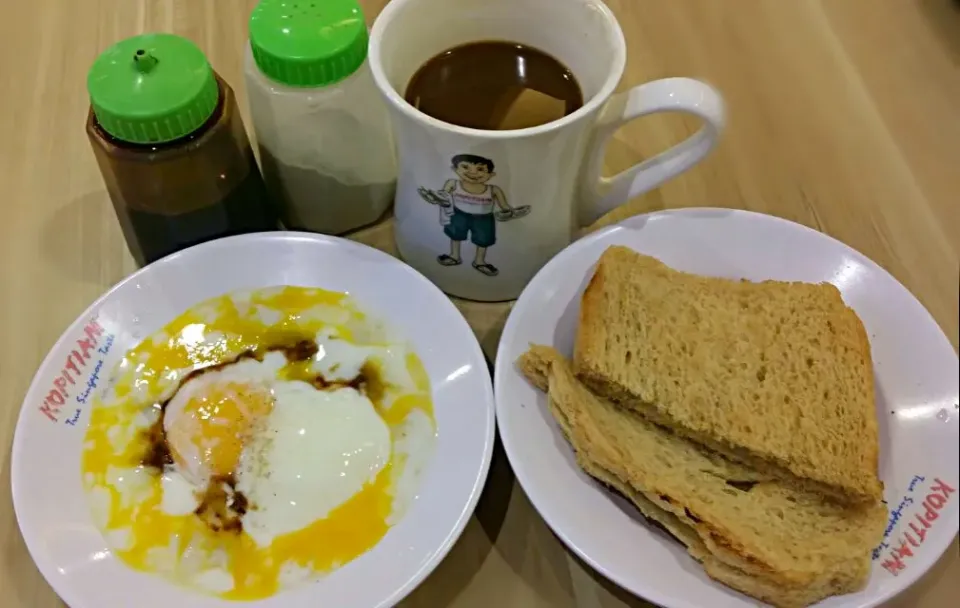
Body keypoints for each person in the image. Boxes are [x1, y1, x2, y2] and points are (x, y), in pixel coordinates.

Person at [417, 153, 529, 277]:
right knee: (455, 235)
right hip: (458, 213)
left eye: (480, 169)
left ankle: (479, 262)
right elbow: (443, 196)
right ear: (455, 170)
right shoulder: (453, 184)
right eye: (465, 167)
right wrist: (434, 198)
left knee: (483, 240)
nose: (473, 173)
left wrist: (511, 212)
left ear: (491, 175)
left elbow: (504, 206)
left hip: (484, 217)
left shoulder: (494, 189)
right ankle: (454, 256)